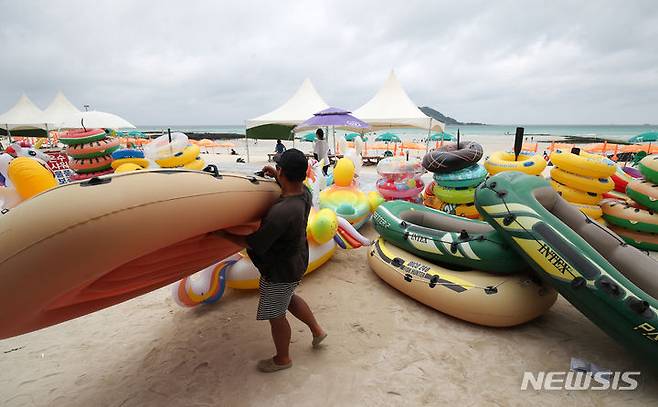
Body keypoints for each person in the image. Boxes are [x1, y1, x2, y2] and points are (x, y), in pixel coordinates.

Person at [214, 149, 326, 373]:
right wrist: (277, 175)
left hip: (280, 270)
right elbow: (292, 187)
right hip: (297, 262)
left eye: (279, 170)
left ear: (284, 171)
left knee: (276, 315)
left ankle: (282, 359)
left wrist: (224, 234)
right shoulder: (305, 194)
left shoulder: (282, 212)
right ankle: (317, 330)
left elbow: (255, 243)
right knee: (288, 297)